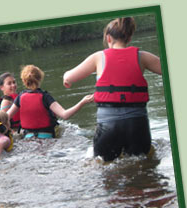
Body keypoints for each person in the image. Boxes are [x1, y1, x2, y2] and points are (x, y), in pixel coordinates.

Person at [62, 16, 161, 161]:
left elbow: (69, 78)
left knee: (105, 171)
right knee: (141, 168)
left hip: (109, 127)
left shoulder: (98, 57)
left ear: (108, 38)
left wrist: (66, 76)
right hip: (138, 126)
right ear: (129, 38)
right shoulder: (142, 57)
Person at [7, 65, 93, 139]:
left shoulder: (20, 97)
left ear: (24, 81)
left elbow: (6, 116)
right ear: (40, 78)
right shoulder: (45, 97)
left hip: (28, 138)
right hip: (48, 138)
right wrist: (83, 101)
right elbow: (65, 115)